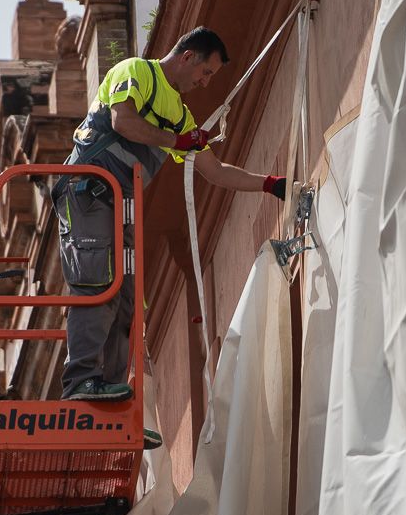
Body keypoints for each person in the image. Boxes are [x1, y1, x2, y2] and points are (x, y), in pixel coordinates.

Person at [54, 26, 286, 408]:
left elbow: (215, 171)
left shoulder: (179, 115)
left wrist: (270, 184)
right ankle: (81, 380)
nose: (205, 82)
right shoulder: (138, 72)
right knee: (98, 281)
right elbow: (123, 122)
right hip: (86, 192)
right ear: (188, 56)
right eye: (206, 72)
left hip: (118, 207)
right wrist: (177, 141)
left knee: (125, 297)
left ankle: (107, 393)